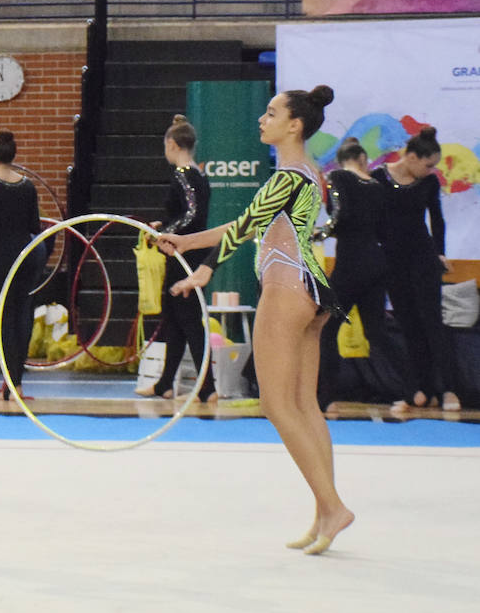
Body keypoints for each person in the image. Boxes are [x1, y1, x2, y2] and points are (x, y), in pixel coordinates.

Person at [161, 86, 354, 556]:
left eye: (271, 113)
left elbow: (247, 227)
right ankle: (324, 513)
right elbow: (249, 223)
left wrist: (204, 268)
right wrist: (186, 244)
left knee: (275, 403)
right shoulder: (310, 172)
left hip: (286, 287)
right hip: (312, 289)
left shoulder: (288, 175)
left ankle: (333, 505)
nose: (262, 120)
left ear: (295, 125)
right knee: (305, 405)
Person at [372, 127, 467, 412]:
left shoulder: (429, 183)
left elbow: (437, 219)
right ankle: (422, 389)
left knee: (431, 322)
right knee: (409, 325)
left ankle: (449, 388)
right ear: (411, 157)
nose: (431, 170)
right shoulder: (378, 178)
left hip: (422, 258)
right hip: (392, 261)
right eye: (428, 165)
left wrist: (440, 251)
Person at [314, 138, 409, 407]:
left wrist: (319, 234)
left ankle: (325, 397)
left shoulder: (337, 177)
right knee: (376, 332)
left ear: (344, 160)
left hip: (351, 262)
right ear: (364, 159)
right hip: (377, 262)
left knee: (327, 327)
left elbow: (339, 214)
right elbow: (384, 229)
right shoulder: (377, 186)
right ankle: (409, 389)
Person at [137, 115, 215, 401]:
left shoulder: (184, 173)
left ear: (171, 143)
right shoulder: (198, 173)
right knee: (174, 320)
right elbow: (187, 214)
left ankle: (208, 388)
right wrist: (164, 225)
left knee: (190, 322)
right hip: (187, 252)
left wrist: (166, 233)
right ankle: (165, 383)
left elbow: (192, 215)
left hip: (186, 256)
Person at [0, 130, 47, 400]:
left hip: (3, 255)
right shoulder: (27, 186)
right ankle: (17, 383)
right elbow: (34, 226)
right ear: (13, 156)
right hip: (26, 255)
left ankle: (9, 385)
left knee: (3, 319)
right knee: (22, 316)